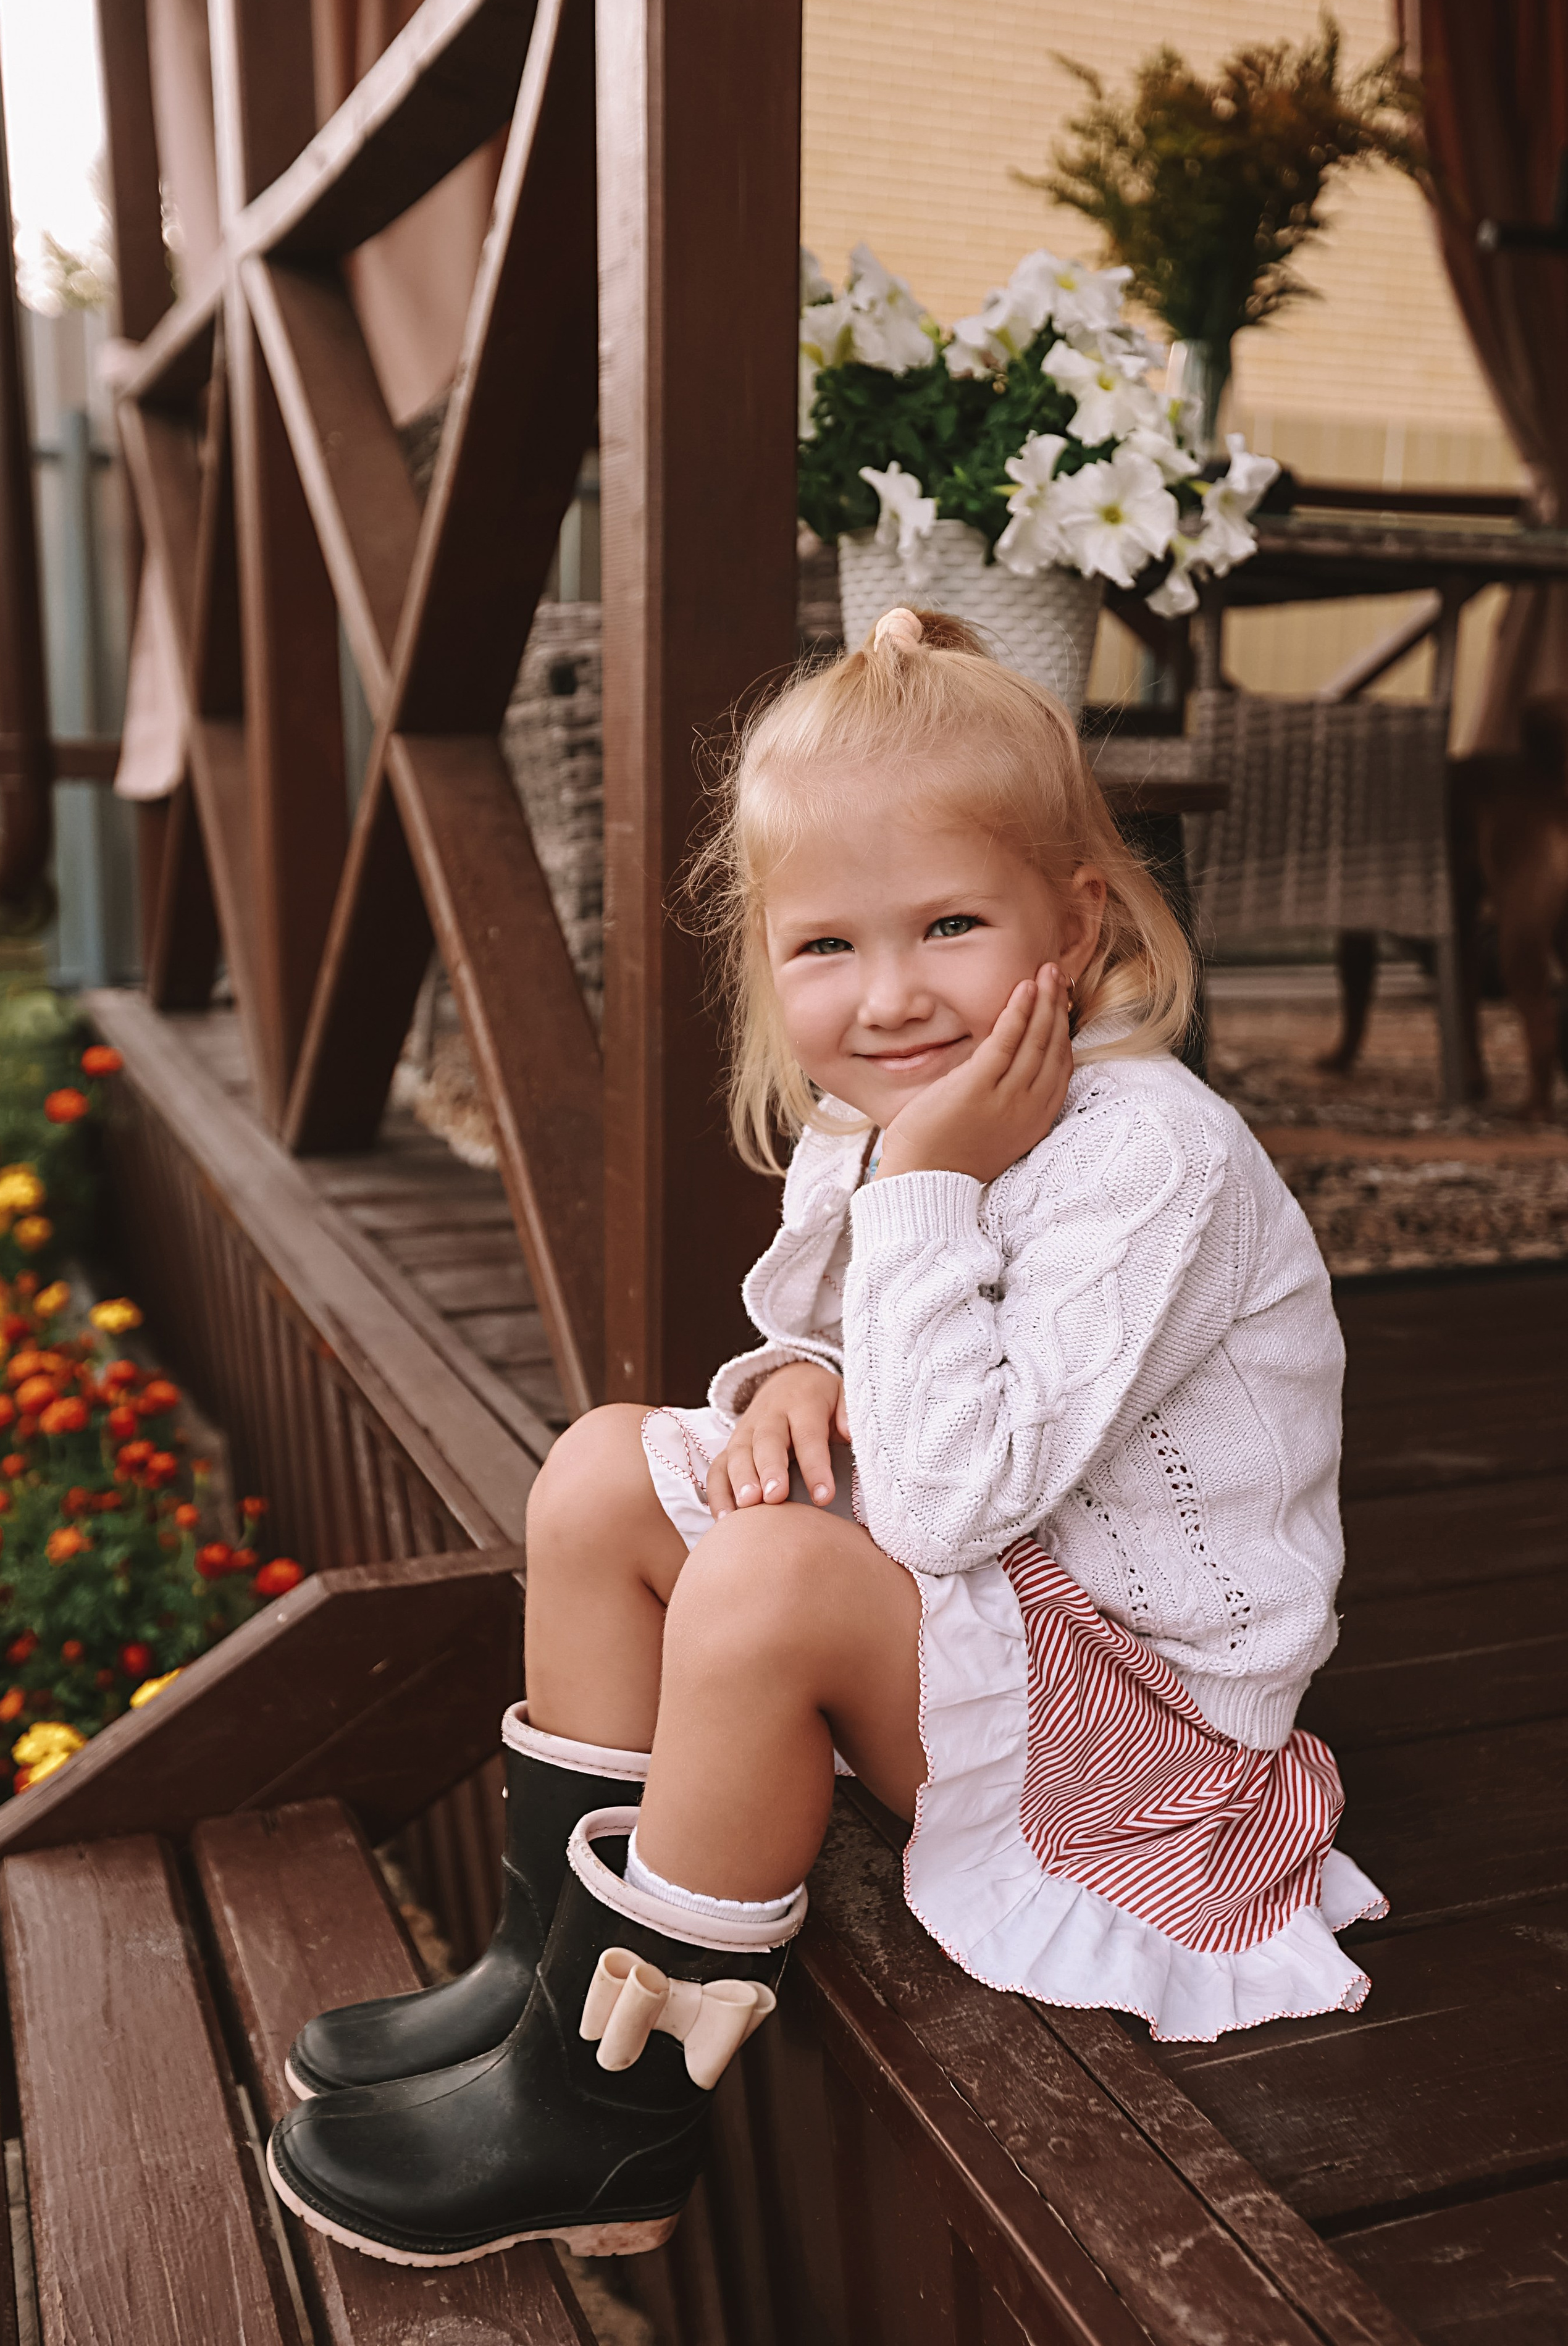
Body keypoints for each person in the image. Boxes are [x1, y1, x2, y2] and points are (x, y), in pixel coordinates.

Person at [267, 605, 1385, 2268]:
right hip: (1009, 1612)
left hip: (1149, 1750)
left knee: (771, 1582)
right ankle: (549, 1973)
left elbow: (943, 1503)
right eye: (827, 948)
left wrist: (925, 1181)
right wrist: (799, 1368)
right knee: (595, 1470)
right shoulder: (906, 1115)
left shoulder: (1147, 1157)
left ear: (1073, 922)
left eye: (949, 924)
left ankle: (608, 2120)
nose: (890, 998)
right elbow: (877, 1338)